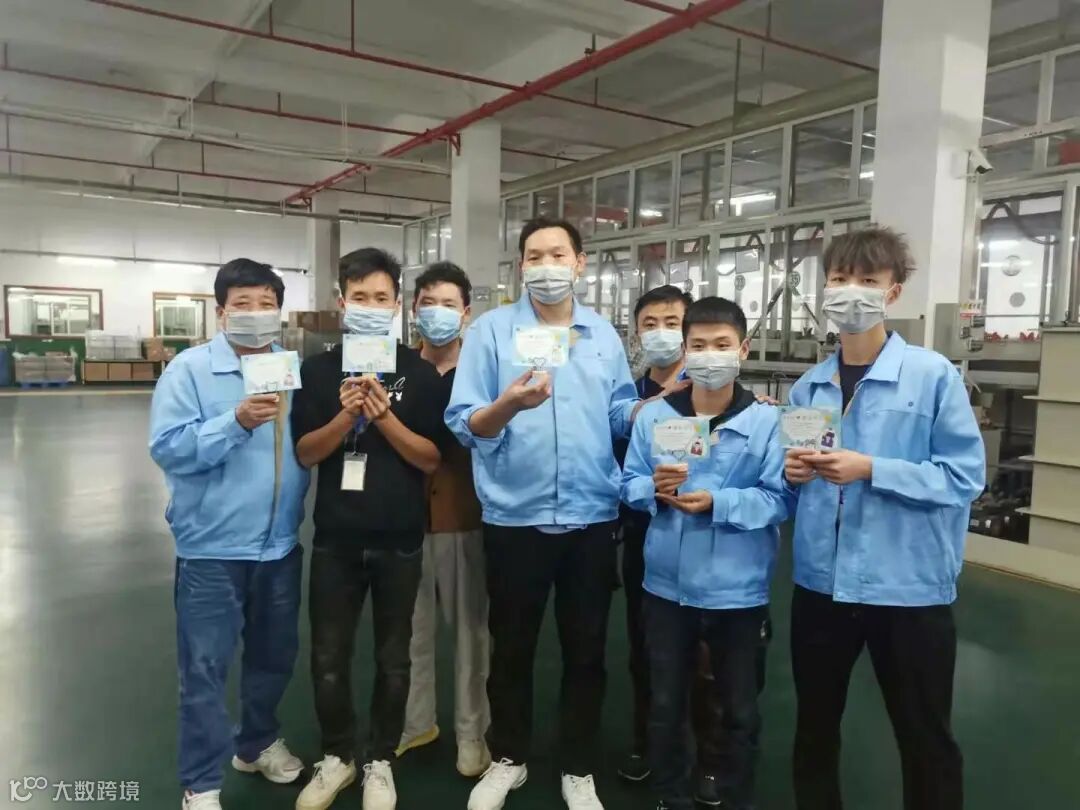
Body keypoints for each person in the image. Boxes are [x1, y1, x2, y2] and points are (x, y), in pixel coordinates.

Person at [784, 226, 985, 810]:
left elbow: (963, 477)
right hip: (821, 585)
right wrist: (791, 476)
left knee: (924, 735)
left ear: (892, 292)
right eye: (839, 279)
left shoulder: (932, 376)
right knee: (815, 727)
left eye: (867, 280)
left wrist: (871, 468)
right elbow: (793, 485)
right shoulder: (808, 388)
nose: (851, 291)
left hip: (908, 588)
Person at [446, 217, 642, 810]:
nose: (546, 266)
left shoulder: (601, 335)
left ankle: (577, 766)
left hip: (590, 518)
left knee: (586, 651)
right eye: (534, 256)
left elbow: (619, 412)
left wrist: (661, 410)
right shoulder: (491, 333)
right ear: (521, 267)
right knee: (512, 647)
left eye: (558, 254)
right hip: (516, 518)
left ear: (580, 263)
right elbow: (465, 422)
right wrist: (508, 404)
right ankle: (509, 757)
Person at [291, 248, 452, 810]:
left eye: (381, 297)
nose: (370, 306)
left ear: (397, 305)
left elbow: (431, 458)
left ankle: (380, 758)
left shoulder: (420, 373)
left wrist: (384, 417)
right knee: (328, 659)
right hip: (335, 539)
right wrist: (345, 416)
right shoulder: (316, 372)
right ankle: (338, 755)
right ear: (341, 303)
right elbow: (307, 453)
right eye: (359, 297)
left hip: (399, 539)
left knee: (394, 658)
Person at [149, 259, 309, 810]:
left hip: (279, 546)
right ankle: (201, 782)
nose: (256, 314)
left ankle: (257, 744)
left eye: (267, 304)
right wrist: (235, 422)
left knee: (274, 657)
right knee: (205, 668)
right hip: (211, 550)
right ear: (221, 312)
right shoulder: (189, 371)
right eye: (243, 304)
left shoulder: (289, 369)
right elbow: (169, 448)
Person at [621, 296, 788, 810]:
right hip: (666, 589)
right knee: (665, 702)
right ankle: (669, 794)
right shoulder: (655, 418)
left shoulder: (766, 422)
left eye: (722, 345)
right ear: (685, 350)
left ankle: (729, 789)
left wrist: (720, 502)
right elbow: (627, 484)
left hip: (738, 591)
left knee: (738, 707)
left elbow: (780, 499)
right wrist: (652, 490)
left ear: (743, 349)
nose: (710, 355)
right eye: (699, 345)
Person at [396, 261, 492, 778]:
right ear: (414, 310)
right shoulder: (395, 371)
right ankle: (416, 724)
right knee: (409, 633)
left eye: (449, 304)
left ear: (466, 312)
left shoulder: (483, 372)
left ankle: (472, 733)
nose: (438, 312)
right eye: (428, 302)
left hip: (464, 516)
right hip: (403, 521)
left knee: (471, 634)